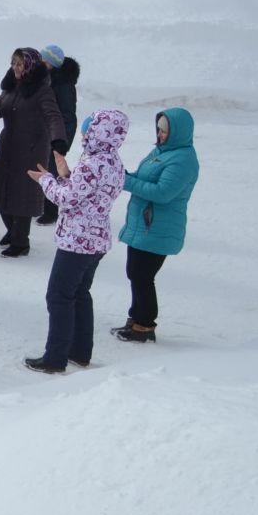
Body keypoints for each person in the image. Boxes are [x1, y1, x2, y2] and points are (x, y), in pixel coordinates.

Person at [25, 109, 128, 374]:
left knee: (59, 296)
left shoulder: (92, 163)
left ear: (98, 133)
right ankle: (80, 353)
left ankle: (55, 359)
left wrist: (46, 180)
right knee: (80, 294)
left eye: (87, 131)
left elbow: (67, 198)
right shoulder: (113, 161)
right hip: (96, 239)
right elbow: (85, 193)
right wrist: (65, 174)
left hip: (77, 241)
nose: (83, 136)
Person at [0, 48, 66, 259]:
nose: (15, 68)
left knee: (22, 197)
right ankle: (12, 231)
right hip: (7, 148)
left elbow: (53, 116)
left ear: (30, 66)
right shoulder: (12, 87)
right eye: (13, 63)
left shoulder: (42, 90)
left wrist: (58, 140)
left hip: (30, 151)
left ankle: (21, 242)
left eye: (20, 64)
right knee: (2, 191)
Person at [114, 108, 198, 343]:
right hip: (145, 224)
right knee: (135, 273)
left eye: (164, 131)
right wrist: (127, 175)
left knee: (143, 276)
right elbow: (144, 177)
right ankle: (135, 319)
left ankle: (145, 326)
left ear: (177, 133)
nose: (159, 135)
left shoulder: (183, 160)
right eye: (159, 130)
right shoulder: (163, 152)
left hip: (158, 228)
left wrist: (125, 180)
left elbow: (163, 193)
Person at [38, 45, 81, 226]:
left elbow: (68, 117)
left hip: (55, 137)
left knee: (51, 171)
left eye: (45, 60)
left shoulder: (63, 85)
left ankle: (51, 211)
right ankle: (40, 205)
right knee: (40, 167)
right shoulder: (46, 78)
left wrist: (62, 142)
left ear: (52, 63)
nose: (41, 62)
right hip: (42, 133)